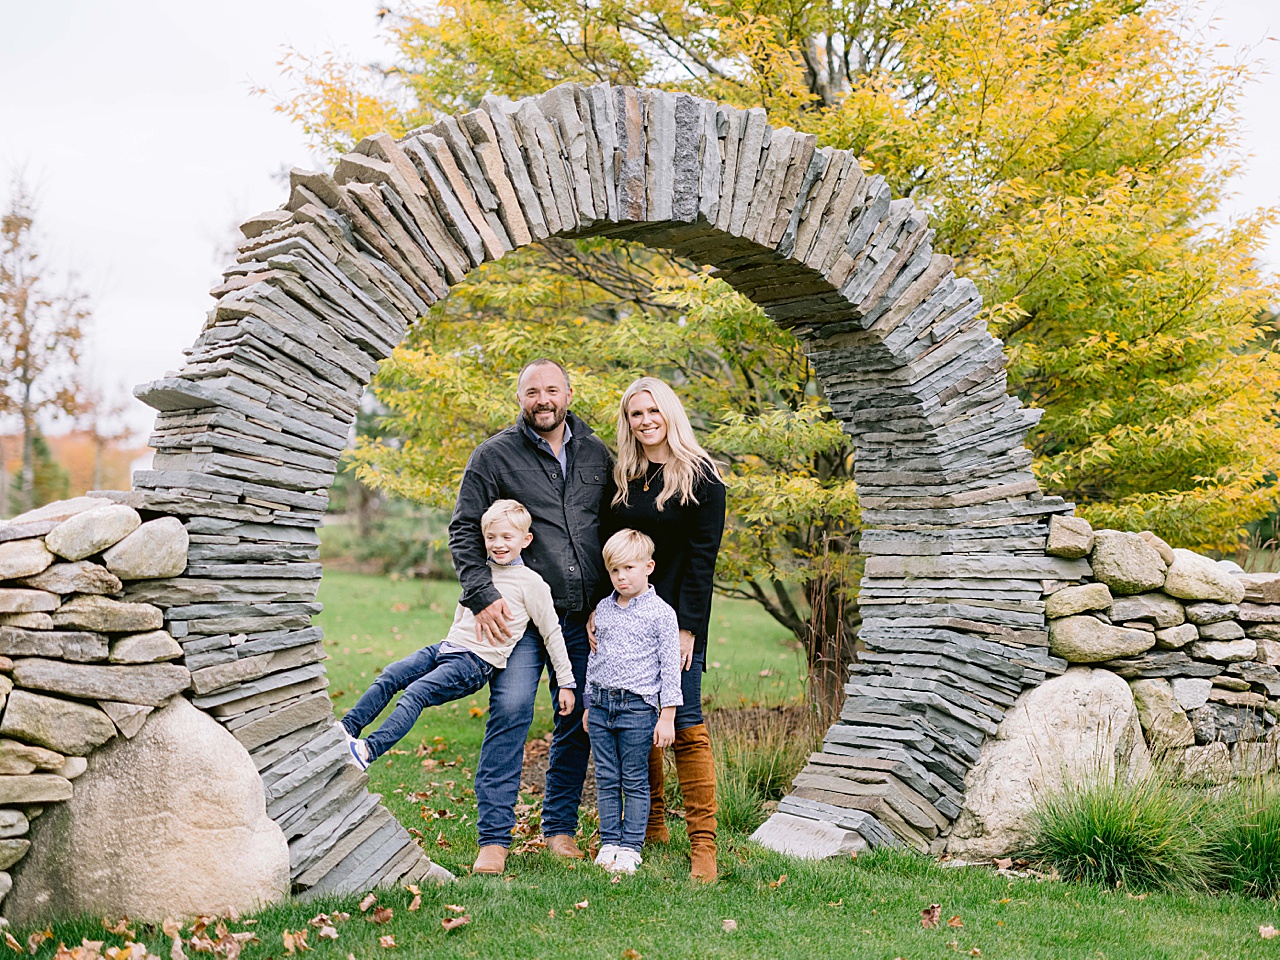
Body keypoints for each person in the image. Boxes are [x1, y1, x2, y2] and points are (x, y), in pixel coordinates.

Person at [449, 358, 613, 876]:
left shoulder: (597, 453)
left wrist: (608, 603)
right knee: (512, 715)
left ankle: (560, 828)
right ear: (520, 398)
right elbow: (463, 530)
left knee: (577, 720)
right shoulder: (493, 456)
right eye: (531, 392)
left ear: (568, 392)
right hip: (516, 621)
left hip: (581, 616)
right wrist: (481, 595)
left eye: (551, 390)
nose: (542, 400)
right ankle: (494, 839)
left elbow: (609, 529)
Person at [600, 376, 726, 882]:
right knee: (635, 721)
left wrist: (688, 630)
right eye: (636, 414)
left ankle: (704, 845)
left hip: (675, 622)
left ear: (670, 413)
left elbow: (703, 559)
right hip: (622, 618)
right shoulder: (624, 475)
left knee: (686, 725)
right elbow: (607, 549)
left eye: (653, 411)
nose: (646, 421)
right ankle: (651, 828)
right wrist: (598, 609)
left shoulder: (702, 476)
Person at [340, 500, 575, 768]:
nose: (498, 544)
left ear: (526, 539)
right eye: (491, 537)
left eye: (507, 537)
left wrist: (566, 683)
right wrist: (449, 643)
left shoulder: (531, 583)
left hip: (474, 664)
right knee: (392, 674)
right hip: (447, 649)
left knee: (417, 692)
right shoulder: (479, 574)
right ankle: (347, 729)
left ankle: (368, 751)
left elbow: (552, 634)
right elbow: (462, 613)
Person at [582, 528, 682, 874]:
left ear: (649, 567)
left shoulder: (661, 614)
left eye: (628, 568)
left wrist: (667, 715)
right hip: (601, 705)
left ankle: (630, 847)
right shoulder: (603, 610)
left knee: (634, 779)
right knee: (606, 777)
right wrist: (587, 702)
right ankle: (609, 840)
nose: (621, 577)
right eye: (614, 570)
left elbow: (670, 668)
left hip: (638, 708)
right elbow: (594, 659)